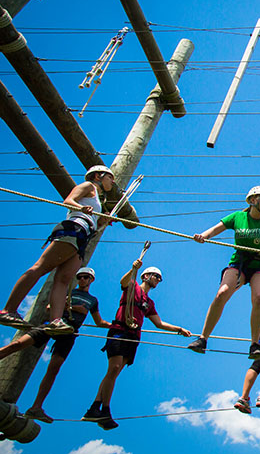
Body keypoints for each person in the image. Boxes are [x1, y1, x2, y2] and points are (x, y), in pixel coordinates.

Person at [0, 165, 115, 334]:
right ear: (98, 175)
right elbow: (69, 201)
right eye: (110, 177)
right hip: (74, 228)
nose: (112, 181)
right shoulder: (88, 186)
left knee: (63, 280)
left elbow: (95, 224)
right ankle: (8, 310)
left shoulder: (99, 199)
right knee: (41, 267)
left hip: (83, 236)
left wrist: (104, 220)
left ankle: (55, 320)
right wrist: (81, 208)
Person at [82, 261, 190, 430]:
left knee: (114, 372)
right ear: (146, 276)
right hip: (120, 331)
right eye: (156, 276)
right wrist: (134, 269)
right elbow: (122, 282)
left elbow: (159, 323)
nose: (158, 280)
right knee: (114, 368)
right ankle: (105, 410)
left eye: (160, 279)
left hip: (133, 337)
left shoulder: (149, 302)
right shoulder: (132, 286)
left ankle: (95, 408)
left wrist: (179, 329)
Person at [0, 267, 110, 423]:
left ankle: (36, 408)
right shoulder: (68, 293)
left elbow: (99, 321)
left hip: (70, 332)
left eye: (86, 277)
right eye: (80, 277)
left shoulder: (92, 300)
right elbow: (49, 307)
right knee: (17, 344)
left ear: (91, 280)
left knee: (53, 369)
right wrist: (70, 307)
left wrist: (116, 325)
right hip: (53, 325)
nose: (82, 280)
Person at [188, 186, 260, 359]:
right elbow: (216, 228)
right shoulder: (237, 217)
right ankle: (202, 339)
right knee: (222, 293)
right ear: (252, 200)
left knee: (258, 297)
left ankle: (255, 344)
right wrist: (203, 236)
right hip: (239, 263)